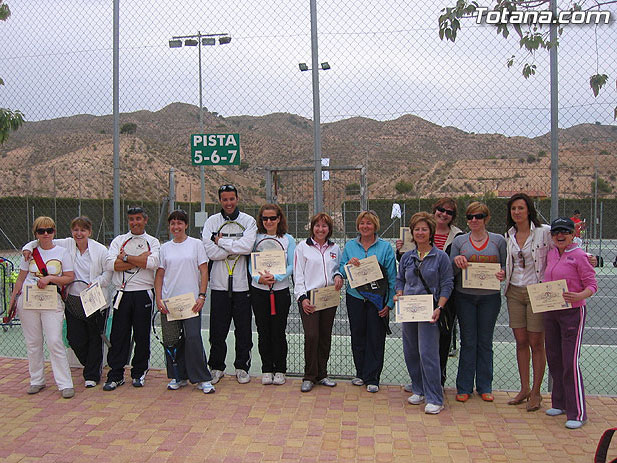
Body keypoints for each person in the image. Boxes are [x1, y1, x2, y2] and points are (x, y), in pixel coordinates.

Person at [22, 216, 112, 388]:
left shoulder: (100, 250)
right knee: (74, 338)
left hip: (96, 299)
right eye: (76, 230)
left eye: (83, 230)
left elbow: (108, 273)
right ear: (72, 232)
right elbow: (41, 241)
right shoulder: (66, 244)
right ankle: (91, 365)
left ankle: (92, 375)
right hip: (73, 300)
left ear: (89, 232)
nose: (79, 233)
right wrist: (27, 248)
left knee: (95, 337)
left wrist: (96, 283)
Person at [494, 193, 551, 411]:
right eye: (513, 209)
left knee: (537, 343)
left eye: (521, 208)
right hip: (514, 292)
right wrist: (502, 273)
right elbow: (508, 264)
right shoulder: (508, 236)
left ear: (529, 210)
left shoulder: (544, 233)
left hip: (537, 292)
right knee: (520, 341)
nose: (517, 212)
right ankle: (524, 388)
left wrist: (588, 258)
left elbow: (562, 250)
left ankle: (537, 392)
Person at [9, 216, 76, 398]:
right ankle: (36, 380)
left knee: (54, 341)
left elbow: (69, 277)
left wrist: (50, 278)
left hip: (51, 300)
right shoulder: (29, 252)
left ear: (54, 231)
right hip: (28, 300)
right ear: (35, 233)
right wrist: (13, 300)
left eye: (49, 230)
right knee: (33, 342)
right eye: (41, 231)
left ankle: (64, 383)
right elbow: (21, 278)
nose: (45, 234)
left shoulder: (62, 252)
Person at [395, 212, 453, 414]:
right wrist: (399, 293)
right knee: (411, 351)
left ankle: (435, 397)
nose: (420, 233)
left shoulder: (441, 257)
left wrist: (440, 307)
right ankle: (418, 389)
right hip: (409, 310)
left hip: (430, 311)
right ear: (412, 233)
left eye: (424, 229)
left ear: (431, 232)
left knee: (428, 353)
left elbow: (447, 284)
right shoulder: (407, 257)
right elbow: (400, 279)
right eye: (417, 229)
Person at [543, 217, 597, 429]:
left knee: (570, 362)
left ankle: (578, 412)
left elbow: (592, 285)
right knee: (554, 358)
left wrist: (579, 295)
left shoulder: (580, 256)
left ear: (573, 234)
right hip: (551, 312)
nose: (560, 235)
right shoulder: (551, 253)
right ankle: (560, 403)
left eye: (565, 231)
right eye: (556, 232)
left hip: (572, 313)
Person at [450, 202, 506, 403]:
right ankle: (464, 386)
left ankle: (484, 386)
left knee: (485, 341)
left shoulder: (498, 241)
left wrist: (503, 273)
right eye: (470, 216)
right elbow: (451, 270)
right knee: (468, 341)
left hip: (489, 298)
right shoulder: (460, 241)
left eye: (479, 216)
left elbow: (507, 267)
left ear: (487, 218)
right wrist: (456, 263)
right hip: (464, 296)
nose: (474, 220)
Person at [154, 209, 215, 394]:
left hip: (191, 303)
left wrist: (202, 295)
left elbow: (204, 271)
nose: (176, 226)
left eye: (180, 223)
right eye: (173, 223)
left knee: (193, 338)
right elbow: (159, 275)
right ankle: (178, 377)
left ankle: (203, 379)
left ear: (186, 225)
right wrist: (159, 299)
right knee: (173, 341)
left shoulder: (196, 245)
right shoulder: (164, 248)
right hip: (169, 303)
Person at [201, 184, 257, 384]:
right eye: (225, 199)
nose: (228, 203)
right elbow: (210, 252)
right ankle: (216, 367)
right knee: (217, 331)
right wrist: (235, 248)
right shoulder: (211, 222)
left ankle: (242, 367)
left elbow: (247, 246)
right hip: (219, 287)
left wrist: (221, 242)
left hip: (243, 287)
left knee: (243, 330)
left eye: (231, 199)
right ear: (220, 201)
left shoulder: (248, 221)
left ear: (237, 198)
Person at [103, 206, 160, 391]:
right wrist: (138, 258)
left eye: (138, 218)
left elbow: (151, 263)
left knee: (142, 335)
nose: (135, 222)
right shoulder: (119, 240)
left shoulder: (153, 241)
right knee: (119, 336)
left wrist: (126, 257)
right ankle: (116, 375)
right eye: (131, 219)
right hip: (121, 294)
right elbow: (110, 264)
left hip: (143, 293)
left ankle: (139, 372)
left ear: (145, 220)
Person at [340, 210, 396, 393]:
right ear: (358, 226)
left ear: (375, 226)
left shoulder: (385, 248)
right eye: (362, 223)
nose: (365, 226)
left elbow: (392, 277)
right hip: (355, 298)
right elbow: (341, 269)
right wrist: (349, 264)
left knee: (376, 337)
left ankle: (373, 377)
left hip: (377, 300)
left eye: (369, 223)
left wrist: (389, 304)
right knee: (358, 336)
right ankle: (361, 373)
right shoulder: (349, 246)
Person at [293, 212, 344, 392]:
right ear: (312, 227)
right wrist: (302, 297)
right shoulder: (302, 247)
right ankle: (309, 376)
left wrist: (338, 276)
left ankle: (322, 374)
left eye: (324, 226)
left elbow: (338, 269)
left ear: (329, 229)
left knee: (324, 336)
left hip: (329, 296)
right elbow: (298, 274)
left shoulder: (335, 249)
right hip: (309, 297)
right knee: (312, 335)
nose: (320, 229)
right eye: (317, 225)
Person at [250, 204, 295, 386]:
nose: (269, 221)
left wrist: (277, 277)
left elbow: (292, 264)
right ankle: (267, 369)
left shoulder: (288, 239)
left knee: (278, 332)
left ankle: (280, 370)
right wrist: (258, 279)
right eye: (265, 218)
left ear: (279, 219)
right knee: (263, 332)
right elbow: (250, 263)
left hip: (280, 293)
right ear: (261, 220)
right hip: (259, 292)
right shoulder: (255, 239)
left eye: (272, 218)